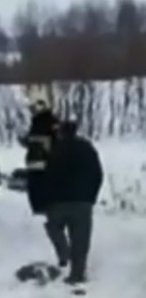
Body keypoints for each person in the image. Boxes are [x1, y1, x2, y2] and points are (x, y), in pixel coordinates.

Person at [42, 120, 103, 285]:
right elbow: (98, 174)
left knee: (53, 227)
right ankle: (77, 274)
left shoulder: (55, 150)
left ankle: (63, 252)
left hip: (58, 202)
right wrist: (91, 196)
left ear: (61, 132)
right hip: (82, 202)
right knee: (81, 239)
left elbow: (46, 176)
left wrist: (46, 199)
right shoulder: (87, 148)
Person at [22, 98, 59, 215]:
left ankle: (42, 207)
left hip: (42, 162)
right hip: (39, 162)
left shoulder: (46, 122)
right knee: (38, 186)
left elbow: (51, 141)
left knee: (39, 186)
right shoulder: (41, 122)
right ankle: (41, 206)